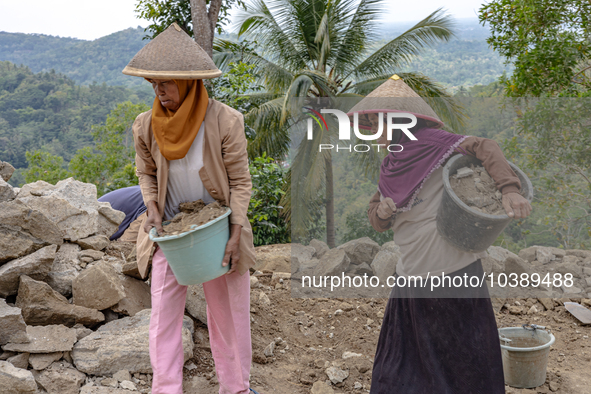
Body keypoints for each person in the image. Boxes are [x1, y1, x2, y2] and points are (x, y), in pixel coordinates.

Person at [348, 75, 532, 393]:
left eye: (380, 123)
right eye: (372, 125)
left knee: (462, 359)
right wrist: (382, 213)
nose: (376, 134)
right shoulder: (392, 164)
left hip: (454, 272)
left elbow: (485, 146)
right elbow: (376, 218)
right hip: (411, 277)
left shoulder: (437, 144)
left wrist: (510, 189)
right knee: (405, 362)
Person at [122, 23, 258, 394]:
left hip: (217, 229)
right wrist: (152, 206)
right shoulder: (146, 125)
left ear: (189, 84)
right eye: (154, 85)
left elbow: (241, 183)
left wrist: (234, 234)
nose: (159, 92)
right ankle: (166, 388)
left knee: (226, 314)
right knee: (164, 313)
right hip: (170, 228)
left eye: (166, 84)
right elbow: (145, 172)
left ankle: (236, 387)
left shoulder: (225, 121)